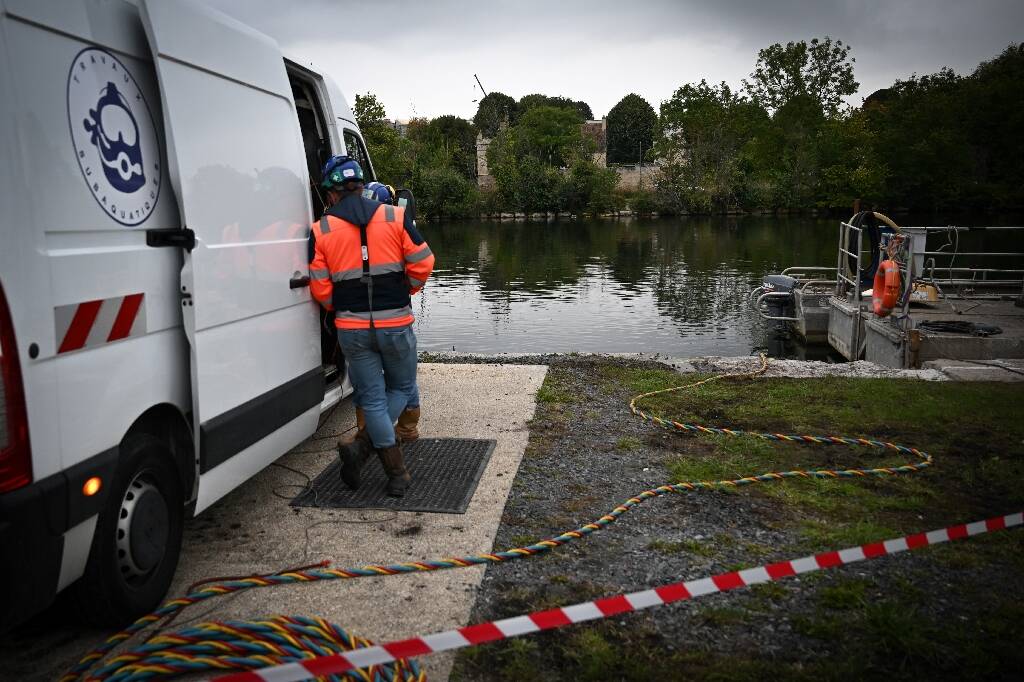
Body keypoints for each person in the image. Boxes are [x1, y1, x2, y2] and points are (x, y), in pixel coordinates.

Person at [308, 155, 434, 496]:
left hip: (351, 328)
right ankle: (369, 453)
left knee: (373, 400)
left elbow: (319, 286)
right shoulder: (395, 216)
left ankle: (395, 472)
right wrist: (407, 287)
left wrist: (340, 306)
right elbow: (424, 262)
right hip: (395, 322)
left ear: (331, 194)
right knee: (403, 388)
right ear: (362, 186)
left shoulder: (321, 230)